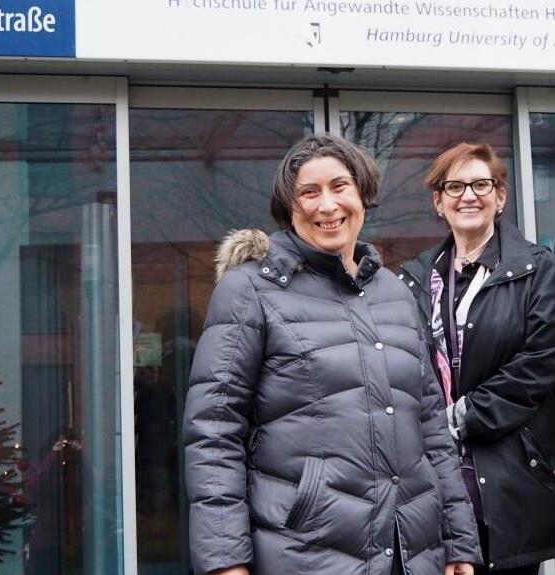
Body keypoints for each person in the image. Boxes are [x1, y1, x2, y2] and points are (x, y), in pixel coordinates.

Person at [183, 133, 481, 575]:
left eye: (340, 186)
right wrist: (225, 561)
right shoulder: (249, 291)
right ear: (289, 207)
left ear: (362, 193)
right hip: (308, 553)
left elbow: (432, 430)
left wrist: (459, 542)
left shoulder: (394, 294)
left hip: (411, 554)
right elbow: (214, 432)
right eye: (309, 192)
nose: (327, 205)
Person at [399, 143, 555, 575]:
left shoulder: (538, 268)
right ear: (438, 202)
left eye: (481, 184)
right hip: (435, 479)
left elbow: (538, 365)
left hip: (512, 473)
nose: (468, 195)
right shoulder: (415, 278)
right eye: (454, 186)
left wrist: (459, 417)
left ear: (500, 197)